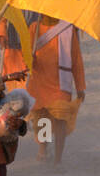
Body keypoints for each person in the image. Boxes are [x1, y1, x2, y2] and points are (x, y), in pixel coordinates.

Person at [26, 14, 84, 167]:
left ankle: (58, 159)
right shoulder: (34, 28)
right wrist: (28, 60)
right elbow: (26, 55)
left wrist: (80, 86)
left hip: (61, 82)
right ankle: (43, 150)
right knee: (43, 119)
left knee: (60, 120)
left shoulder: (68, 29)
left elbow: (76, 58)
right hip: (39, 81)